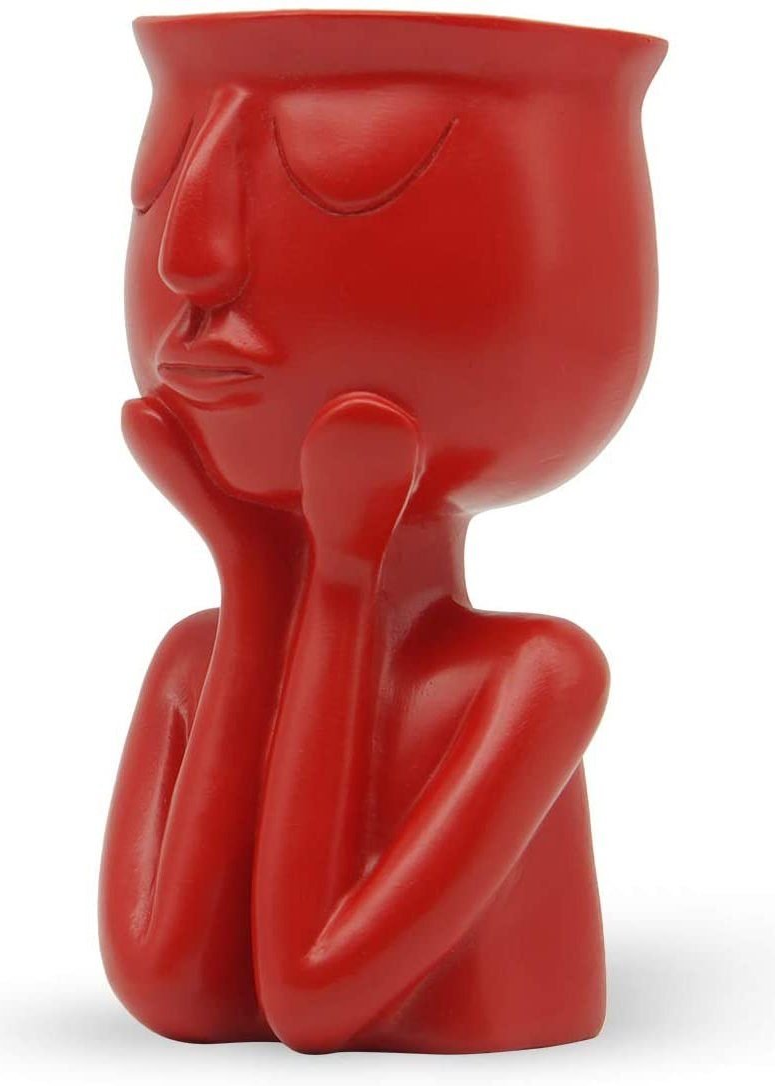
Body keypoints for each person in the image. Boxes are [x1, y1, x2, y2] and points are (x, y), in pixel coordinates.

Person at [99, 11, 666, 1054]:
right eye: (162, 184)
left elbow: (311, 992)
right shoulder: (194, 663)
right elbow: (173, 990)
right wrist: (257, 581)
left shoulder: (535, 678)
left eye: (342, 186)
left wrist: (345, 582)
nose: (191, 261)